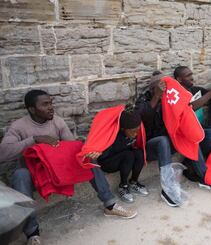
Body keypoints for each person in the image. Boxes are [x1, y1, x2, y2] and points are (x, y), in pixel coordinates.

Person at [0, 90, 137, 245]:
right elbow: (3, 153)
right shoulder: (18, 126)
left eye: (51, 103)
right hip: (35, 175)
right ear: (32, 109)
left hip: (57, 171)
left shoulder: (57, 121)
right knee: (19, 174)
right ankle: (33, 233)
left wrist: (87, 153)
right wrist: (34, 140)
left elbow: (72, 149)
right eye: (45, 104)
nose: (51, 107)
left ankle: (110, 205)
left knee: (87, 160)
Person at [135, 72, 211, 207]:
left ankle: (203, 176)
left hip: (170, 141)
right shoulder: (144, 100)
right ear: (153, 89)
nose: (166, 91)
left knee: (189, 135)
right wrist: (157, 97)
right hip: (150, 145)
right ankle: (168, 189)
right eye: (162, 88)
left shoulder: (169, 100)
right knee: (162, 141)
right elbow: (142, 117)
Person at [173, 66, 211, 180]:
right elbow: (190, 108)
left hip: (199, 127)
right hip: (185, 132)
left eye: (191, 75)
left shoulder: (195, 90)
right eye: (188, 76)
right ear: (179, 79)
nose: (192, 78)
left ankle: (196, 161)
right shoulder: (177, 94)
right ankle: (196, 167)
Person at [86, 106, 148, 203]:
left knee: (139, 153)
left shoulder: (132, 133)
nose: (135, 134)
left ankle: (133, 182)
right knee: (129, 155)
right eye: (132, 131)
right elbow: (102, 152)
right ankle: (123, 186)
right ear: (123, 129)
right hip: (108, 162)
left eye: (137, 130)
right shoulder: (113, 135)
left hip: (123, 159)